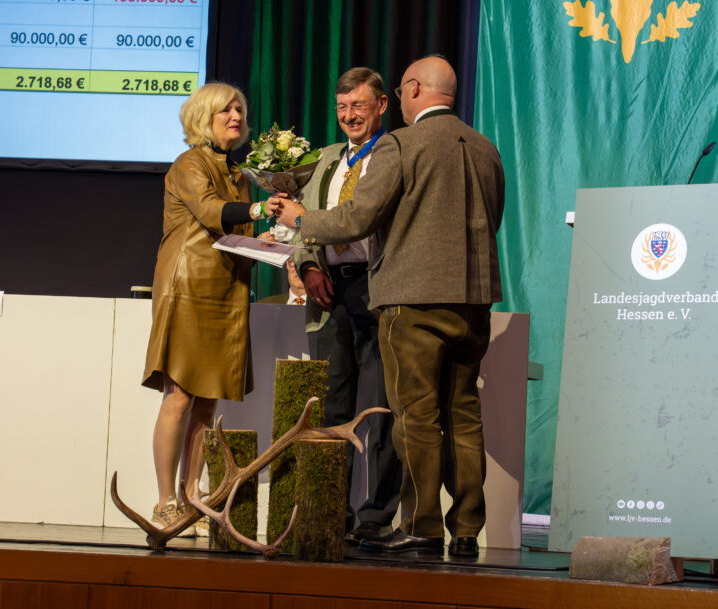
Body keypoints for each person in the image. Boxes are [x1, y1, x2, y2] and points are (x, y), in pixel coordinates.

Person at [269, 56, 504, 558]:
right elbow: (495, 214)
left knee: (414, 416)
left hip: (410, 300)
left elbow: (360, 216)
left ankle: (421, 527)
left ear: (412, 89)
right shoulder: (486, 147)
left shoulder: (401, 143)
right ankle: (465, 528)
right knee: (464, 416)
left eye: (397, 92)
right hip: (474, 300)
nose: (399, 99)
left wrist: (303, 219)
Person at [141, 82, 266, 536]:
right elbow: (213, 212)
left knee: (206, 399)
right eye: (225, 110)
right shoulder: (189, 164)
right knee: (179, 395)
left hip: (224, 289)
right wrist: (259, 208)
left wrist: (263, 241)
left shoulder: (238, 172)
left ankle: (192, 493)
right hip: (188, 287)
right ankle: (164, 501)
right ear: (203, 118)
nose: (236, 115)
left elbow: (232, 230)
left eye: (239, 108)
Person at [288, 67, 400, 545]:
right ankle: (331, 510)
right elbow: (304, 221)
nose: (350, 116)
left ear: (381, 106)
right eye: (342, 108)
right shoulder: (330, 158)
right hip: (329, 291)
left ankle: (375, 517)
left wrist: (307, 225)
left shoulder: (394, 153)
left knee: (379, 409)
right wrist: (309, 265)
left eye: (358, 105)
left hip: (377, 290)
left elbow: (362, 219)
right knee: (331, 406)